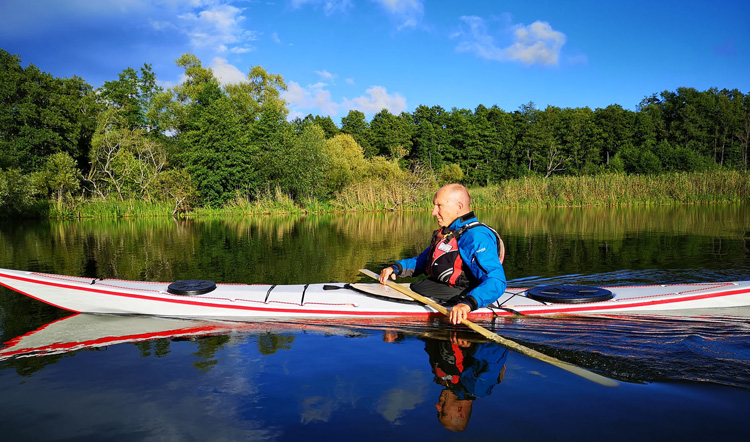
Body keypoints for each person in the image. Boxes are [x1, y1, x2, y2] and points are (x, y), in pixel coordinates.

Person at [379, 183, 507, 325]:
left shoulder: (476, 237)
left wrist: (467, 304)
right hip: (436, 289)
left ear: (459, 207)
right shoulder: (451, 233)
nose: (433, 212)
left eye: (439, 206)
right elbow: (423, 261)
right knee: (419, 286)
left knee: (419, 287)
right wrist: (396, 267)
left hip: (462, 296)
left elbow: (497, 280)